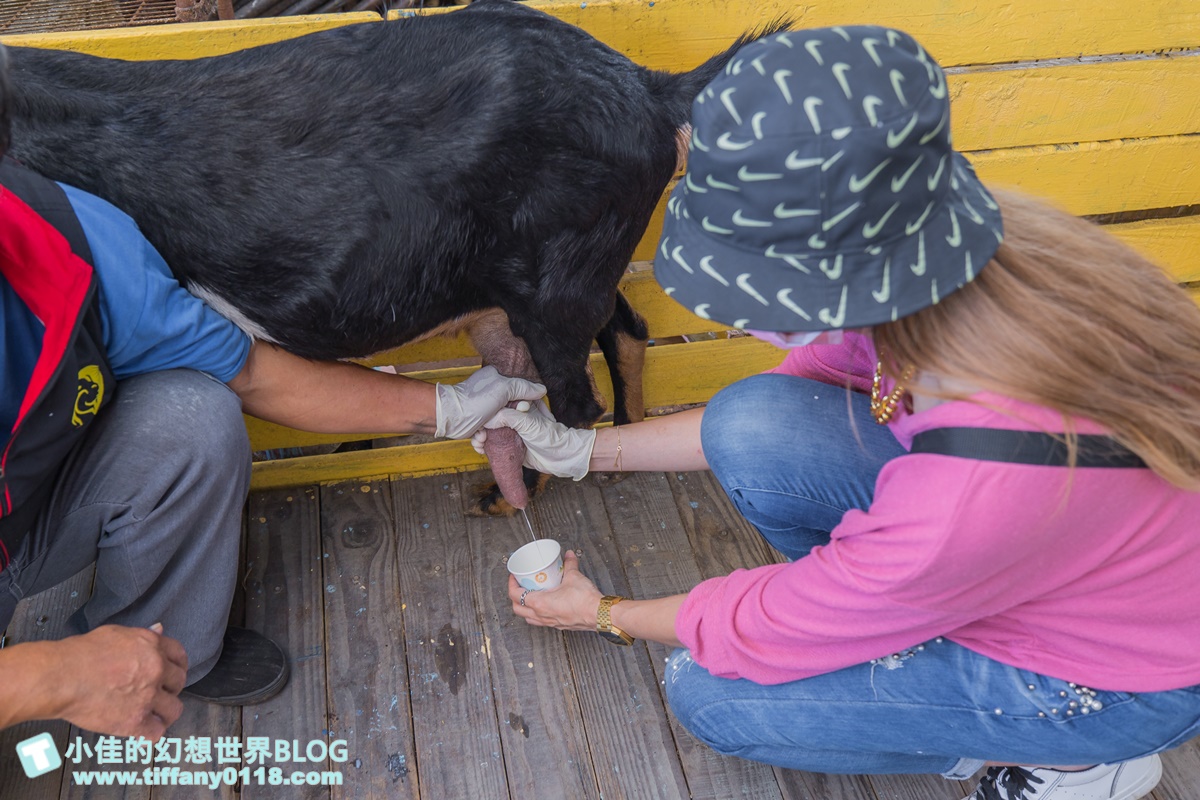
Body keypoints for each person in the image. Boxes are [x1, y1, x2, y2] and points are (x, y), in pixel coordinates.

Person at [473, 25, 1200, 800]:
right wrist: (577, 449)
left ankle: (1074, 761)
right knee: (756, 417)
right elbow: (793, 397)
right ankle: (896, 641)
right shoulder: (974, 253)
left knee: (711, 692)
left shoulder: (976, 482)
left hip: (1124, 669)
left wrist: (604, 612)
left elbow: (773, 622)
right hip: (1076, 558)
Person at [0, 46, 545, 742]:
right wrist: (50, 678)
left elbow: (254, 373)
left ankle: (169, 660)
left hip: (21, 525)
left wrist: (445, 409)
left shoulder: (69, 243)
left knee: (192, 418)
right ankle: (97, 679)